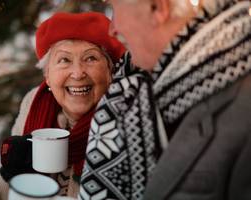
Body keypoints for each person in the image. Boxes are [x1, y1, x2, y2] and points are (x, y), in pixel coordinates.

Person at [79, 0, 251, 199]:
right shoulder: (154, 93)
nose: (112, 29)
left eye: (115, 8)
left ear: (157, 8)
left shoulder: (243, 109)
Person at [0, 12, 125, 200]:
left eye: (90, 58)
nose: (77, 73)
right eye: (64, 60)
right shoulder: (33, 103)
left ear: (110, 73)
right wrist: (10, 174)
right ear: (48, 76)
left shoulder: (126, 113)